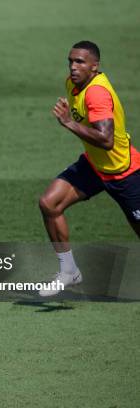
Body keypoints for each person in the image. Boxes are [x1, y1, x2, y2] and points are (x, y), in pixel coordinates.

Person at [38, 41, 140, 296]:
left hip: (124, 172)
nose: (73, 67)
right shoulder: (72, 85)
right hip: (94, 166)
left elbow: (106, 140)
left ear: (95, 66)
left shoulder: (97, 93)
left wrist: (68, 123)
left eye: (80, 62)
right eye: (71, 61)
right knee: (50, 203)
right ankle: (69, 271)